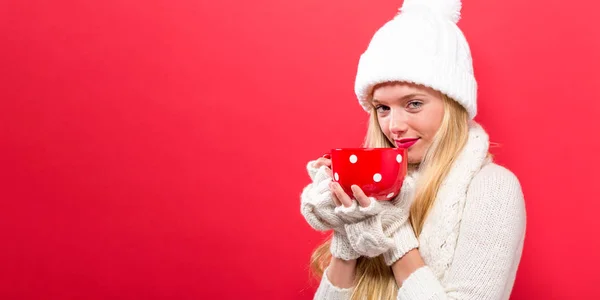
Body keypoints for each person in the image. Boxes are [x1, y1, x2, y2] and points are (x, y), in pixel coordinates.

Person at [299, 0, 527, 299]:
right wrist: (348, 231)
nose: (394, 125)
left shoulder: (493, 188)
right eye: (382, 108)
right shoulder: (374, 189)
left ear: (453, 104)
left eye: (414, 104)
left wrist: (392, 228)